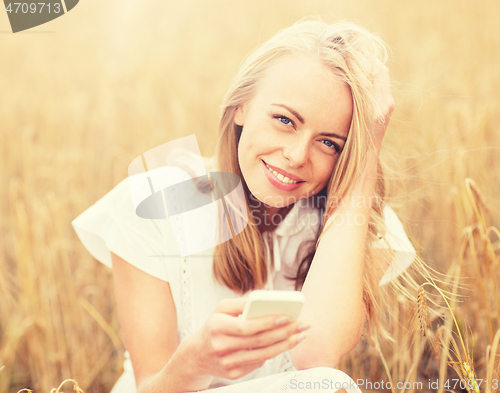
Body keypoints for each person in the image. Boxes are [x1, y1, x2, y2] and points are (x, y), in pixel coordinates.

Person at [72, 17, 423, 393]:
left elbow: (316, 356)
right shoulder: (153, 204)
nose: (296, 155)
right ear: (241, 106)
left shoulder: (361, 225)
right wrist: (194, 361)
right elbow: (150, 386)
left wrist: (367, 147)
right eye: (285, 120)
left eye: (329, 143)